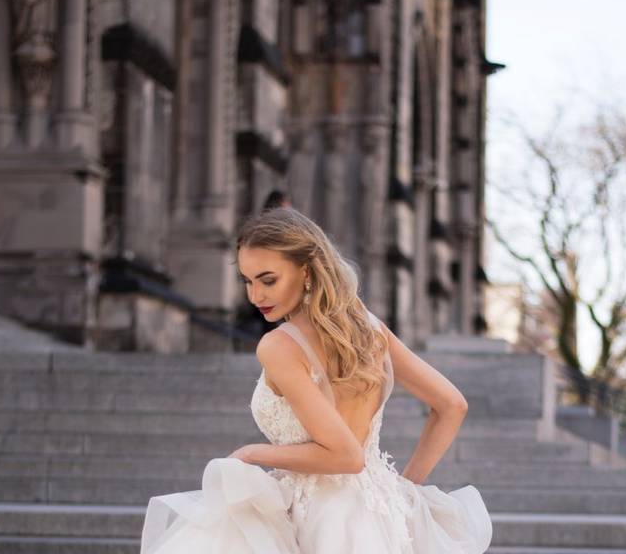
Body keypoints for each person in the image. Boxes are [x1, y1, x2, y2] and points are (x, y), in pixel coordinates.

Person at [140, 207, 492, 553]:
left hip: (323, 521)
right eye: (247, 281)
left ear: (306, 272)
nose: (255, 296)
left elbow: (345, 456)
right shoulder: (370, 329)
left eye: (268, 280)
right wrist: (404, 491)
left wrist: (251, 453)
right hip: (384, 516)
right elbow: (451, 405)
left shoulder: (279, 345)